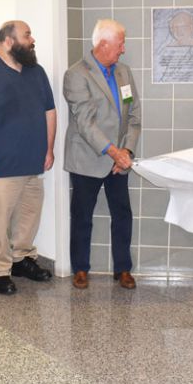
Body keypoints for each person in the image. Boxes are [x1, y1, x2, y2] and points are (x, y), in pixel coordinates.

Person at [0, 20, 56, 295]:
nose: (32, 40)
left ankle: (21, 259)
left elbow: (49, 112)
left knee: (28, 216)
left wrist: (48, 149)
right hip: (0, 165)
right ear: (8, 41)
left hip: (33, 162)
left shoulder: (35, 72)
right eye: (27, 35)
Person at [64, 19, 141, 290]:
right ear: (104, 44)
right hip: (88, 157)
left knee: (123, 213)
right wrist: (114, 152)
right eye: (120, 44)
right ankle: (80, 269)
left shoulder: (124, 72)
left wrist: (127, 151)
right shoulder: (76, 74)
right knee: (83, 215)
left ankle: (123, 269)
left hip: (119, 159)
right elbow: (85, 123)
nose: (123, 50)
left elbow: (134, 116)